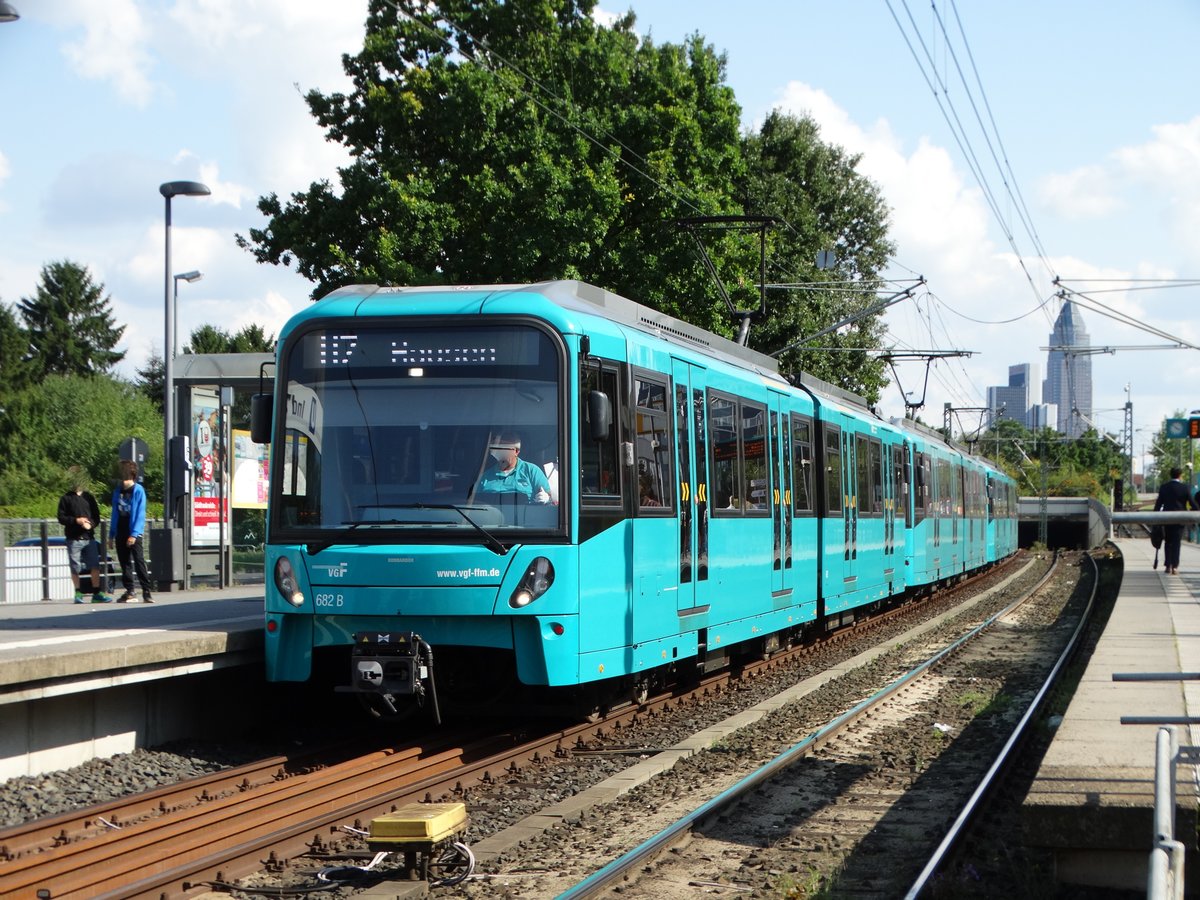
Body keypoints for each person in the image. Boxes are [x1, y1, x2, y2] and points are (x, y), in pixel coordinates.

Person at [57, 468, 112, 604]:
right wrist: (76, 521)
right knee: (75, 566)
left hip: (89, 538)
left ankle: (96, 592)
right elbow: (61, 517)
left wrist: (90, 524)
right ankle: (78, 593)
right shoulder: (66, 498)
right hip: (73, 538)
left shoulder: (89, 497)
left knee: (94, 565)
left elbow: (96, 517)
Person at [109, 460, 154, 603]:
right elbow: (114, 513)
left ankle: (146, 591)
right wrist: (111, 534)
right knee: (124, 562)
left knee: (139, 561)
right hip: (120, 530)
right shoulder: (117, 491)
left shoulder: (138, 490)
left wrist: (134, 534)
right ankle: (130, 590)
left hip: (133, 531)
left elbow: (140, 513)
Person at [477, 433, 552, 502]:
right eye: (499, 448)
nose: (502, 452)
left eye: (505, 448)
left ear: (516, 451)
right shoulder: (485, 476)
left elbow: (551, 498)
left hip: (525, 516)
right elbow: (476, 503)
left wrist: (547, 498)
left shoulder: (532, 471)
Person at [1153, 466, 1196, 575]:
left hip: (1166, 519)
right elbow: (1192, 503)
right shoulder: (1185, 488)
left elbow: (1158, 504)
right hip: (1180, 519)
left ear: (1170, 475)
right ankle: (1175, 567)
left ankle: (1168, 565)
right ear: (1180, 475)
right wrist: (1196, 511)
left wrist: (1154, 517)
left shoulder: (1164, 487)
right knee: (1177, 542)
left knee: (1168, 542)